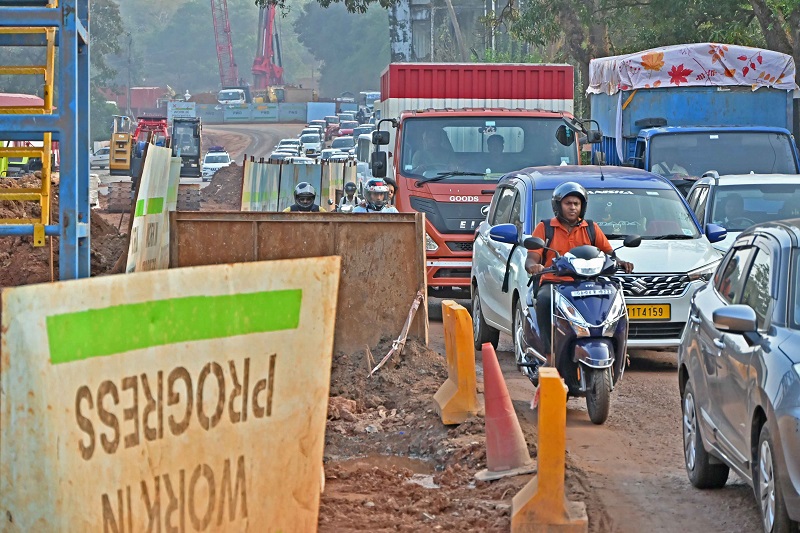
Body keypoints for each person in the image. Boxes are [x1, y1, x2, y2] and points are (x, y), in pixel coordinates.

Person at [524, 182, 634, 356]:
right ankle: (548, 352)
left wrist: (620, 262)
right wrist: (533, 266)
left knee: (614, 300)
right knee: (544, 301)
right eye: (568, 203)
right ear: (558, 205)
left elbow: (609, 253)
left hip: (587, 282)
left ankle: (619, 349)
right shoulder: (545, 228)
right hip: (554, 283)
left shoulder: (591, 228)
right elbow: (531, 259)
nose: (573, 208)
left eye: (577, 204)